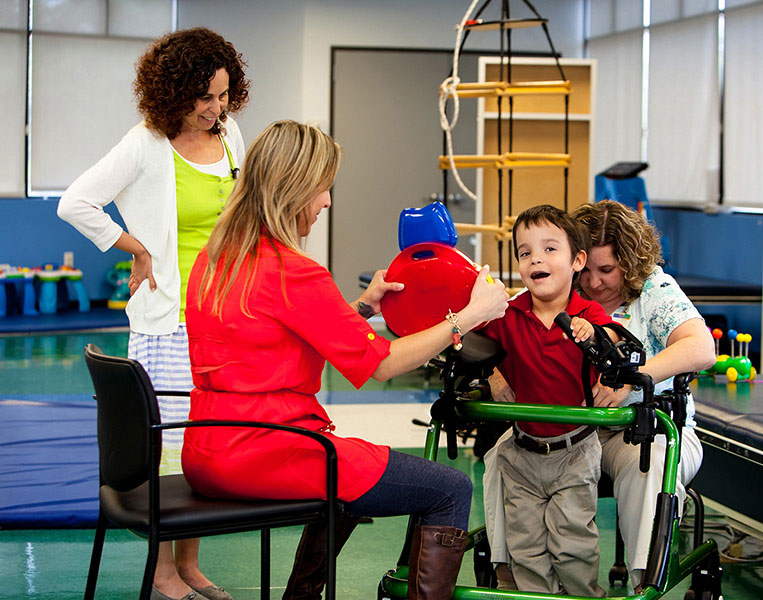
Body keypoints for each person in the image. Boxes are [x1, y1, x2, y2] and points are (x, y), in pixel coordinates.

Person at [181, 120, 509, 600]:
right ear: (293, 191)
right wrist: (469, 315)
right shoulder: (295, 272)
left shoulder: (216, 260)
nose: (327, 202)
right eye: (322, 188)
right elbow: (383, 364)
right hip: (269, 448)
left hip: (208, 448)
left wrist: (361, 308)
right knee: (449, 488)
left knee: (355, 473)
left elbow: (271, 335)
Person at [57, 27, 249, 600]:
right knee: (166, 449)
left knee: (205, 444)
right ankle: (163, 571)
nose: (217, 109)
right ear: (173, 92)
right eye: (205, 98)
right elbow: (76, 202)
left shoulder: (232, 134)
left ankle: (190, 564)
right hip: (169, 320)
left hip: (224, 315)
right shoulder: (145, 142)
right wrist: (136, 247)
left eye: (223, 95)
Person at [486, 200, 716, 593]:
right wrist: (493, 374)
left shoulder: (654, 290)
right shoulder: (559, 287)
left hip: (644, 430)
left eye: (606, 270)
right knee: (502, 457)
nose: (593, 282)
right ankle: (508, 574)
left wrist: (631, 378)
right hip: (575, 428)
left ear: (630, 262)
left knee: (648, 469)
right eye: (586, 270)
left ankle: (645, 583)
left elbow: (701, 349)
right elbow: (498, 331)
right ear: (574, 260)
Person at [477, 205, 616, 597]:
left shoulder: (589, 314)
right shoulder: (508, 314)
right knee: (527, 552)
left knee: (572, 548)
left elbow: (617, 344)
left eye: (549, 249)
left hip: (573, 451)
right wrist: (493, 373)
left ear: (577, 261)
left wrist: (597, 336)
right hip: (522, 454)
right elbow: (472, 345)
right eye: (525, 253)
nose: (536, 258)